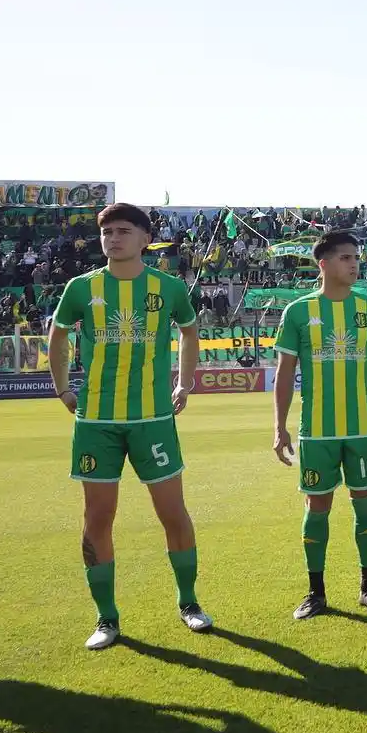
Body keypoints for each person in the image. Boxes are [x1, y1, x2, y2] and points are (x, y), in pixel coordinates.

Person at [46, 202, 210, 650]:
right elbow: (58, 335)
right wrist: (62, 389)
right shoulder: (82, 288)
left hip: (153, 420)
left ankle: (190, 603)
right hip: (96, 420)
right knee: (98, 517)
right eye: (107, 232)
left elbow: (189, 332)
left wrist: (185, 380)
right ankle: (107, 618)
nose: (113, 238)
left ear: (144, 238)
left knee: (172, 514)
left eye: (123, 231)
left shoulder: (168, 287)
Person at [273, 230, 367, 619]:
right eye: (346, 258)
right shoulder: (298, 311)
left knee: (366, 507)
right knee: (317, 507)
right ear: (324, 264)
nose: (355, 263)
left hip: (364, 429)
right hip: (318, 431)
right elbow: (284, 373)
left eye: (356, 257)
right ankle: (316, 593)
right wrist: (279, 427)